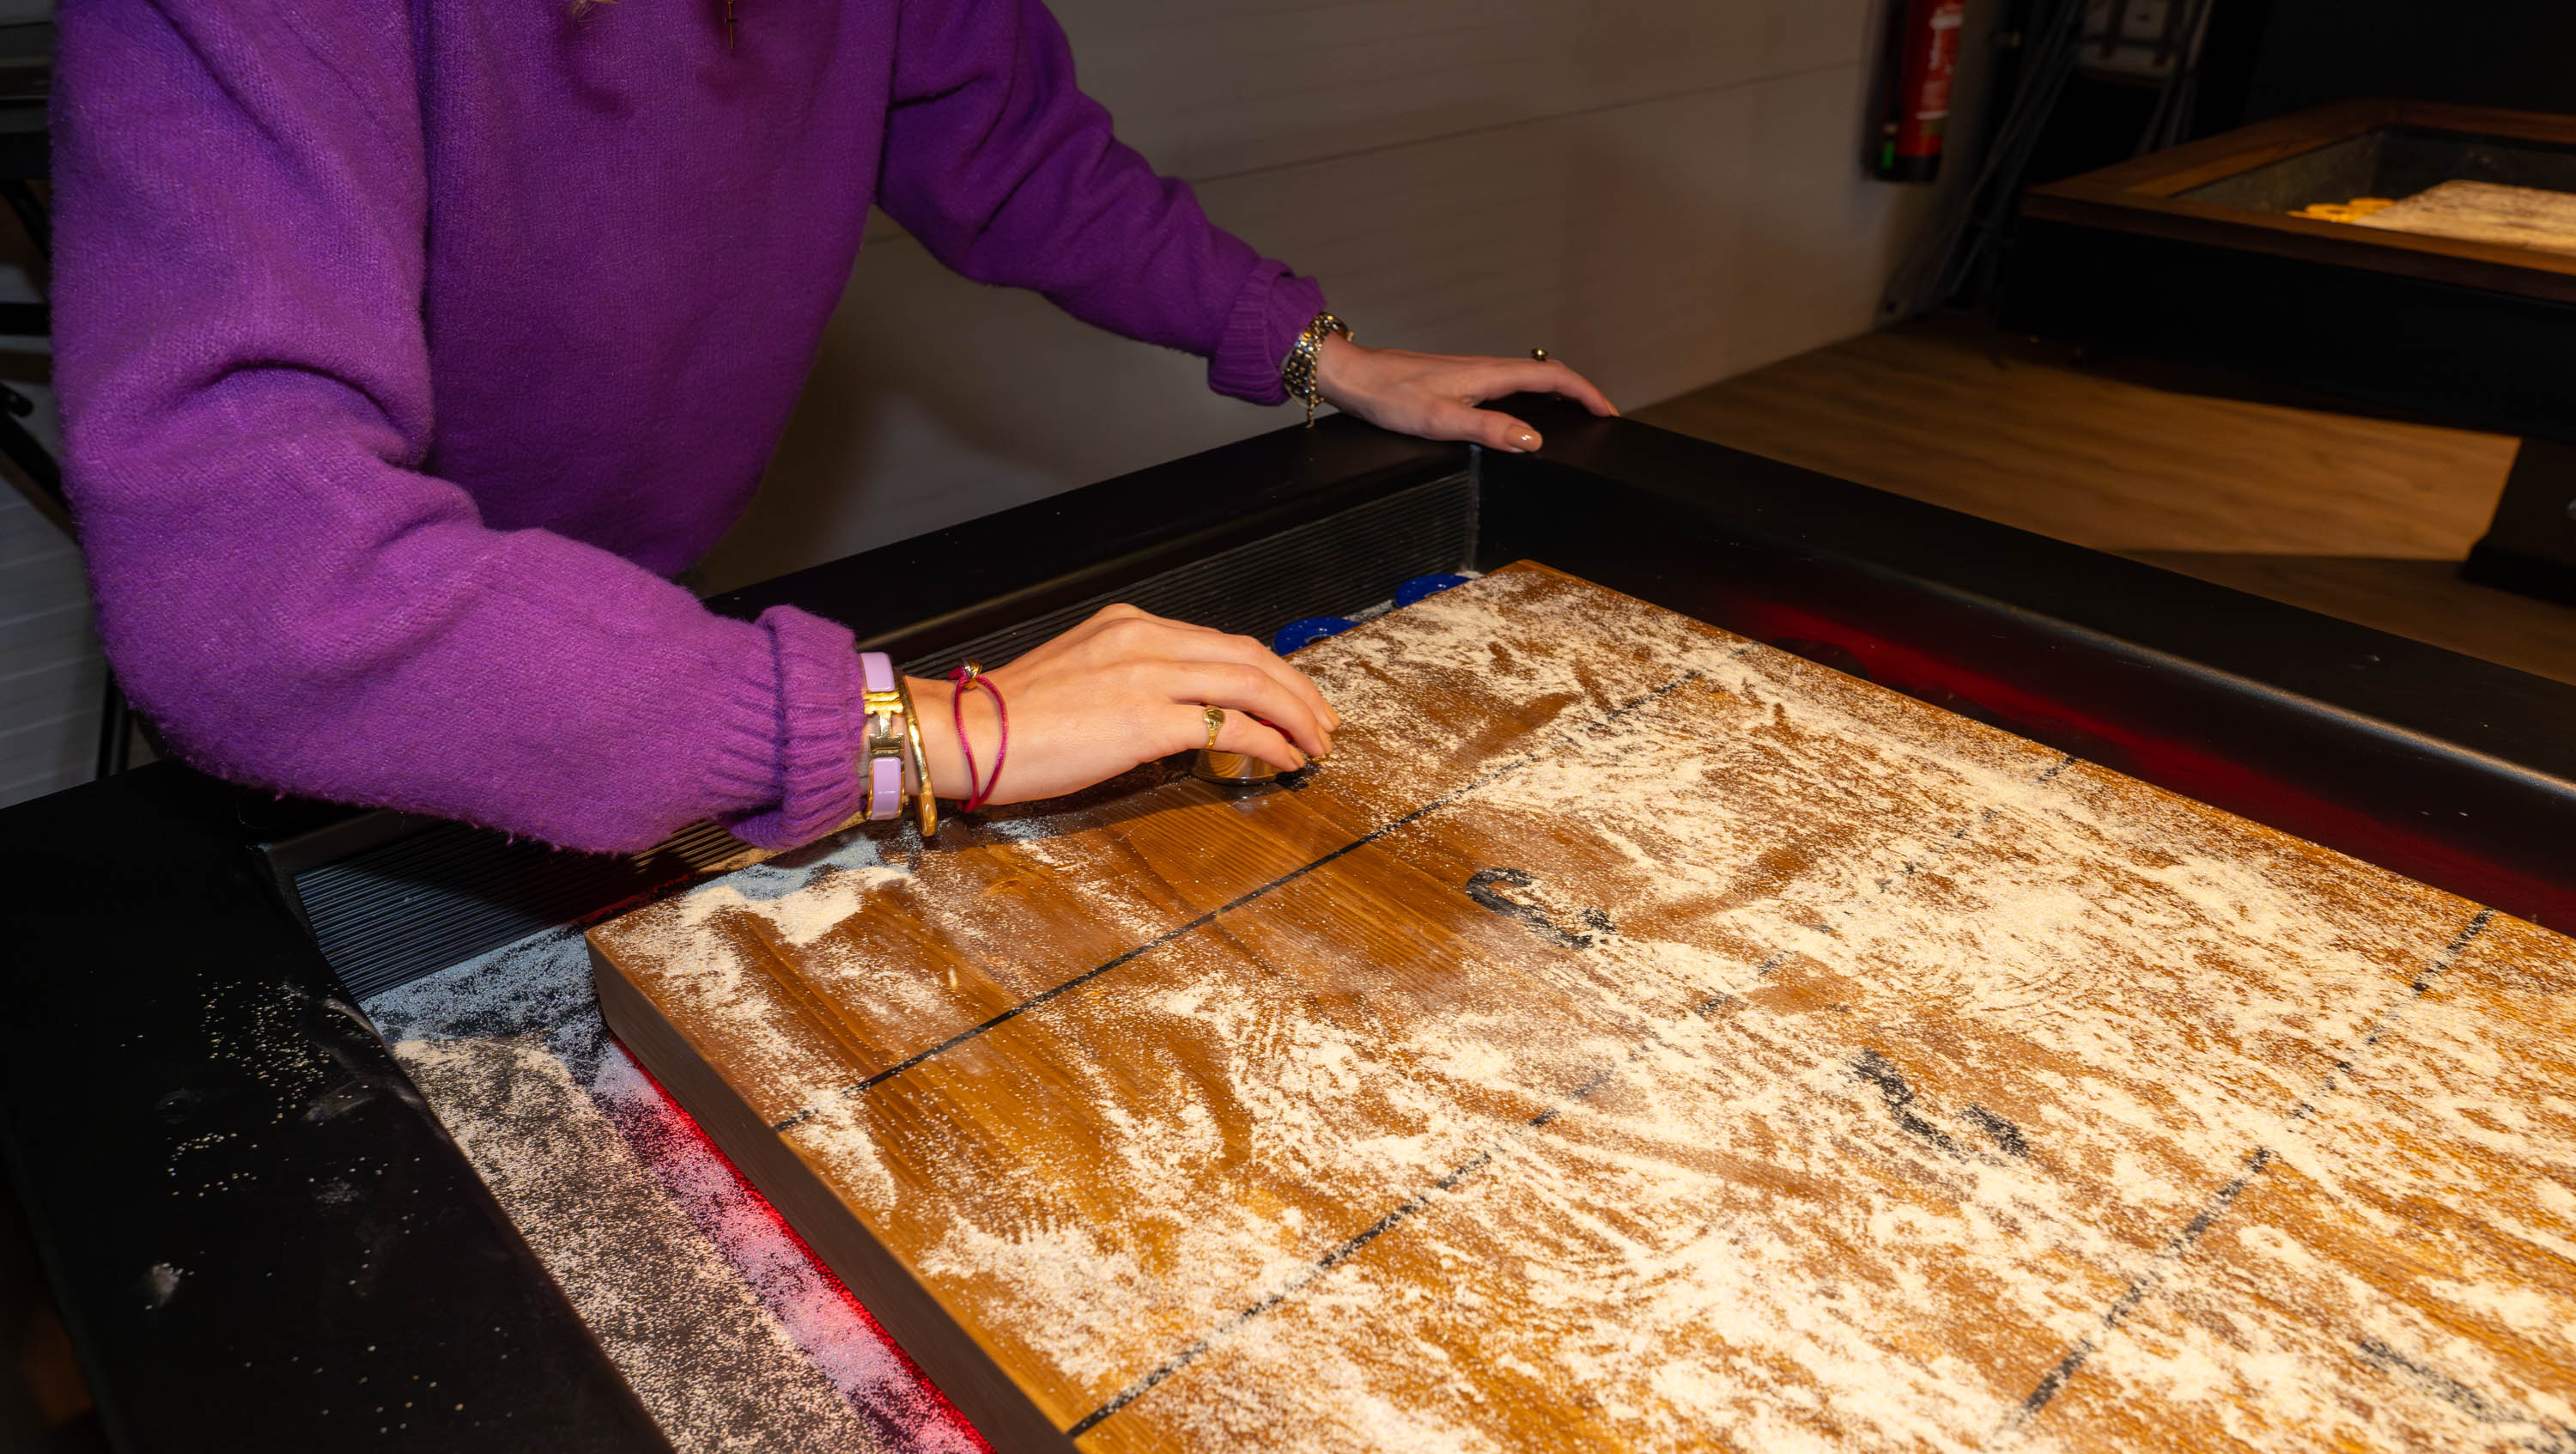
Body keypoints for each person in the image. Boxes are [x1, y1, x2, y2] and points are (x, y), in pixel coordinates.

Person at [53, 0, 1615, 854]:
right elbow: (254, 587)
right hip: (359, 710)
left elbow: (1016, 155)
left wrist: (1312, 351)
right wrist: (907, 731)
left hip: (640, 651)